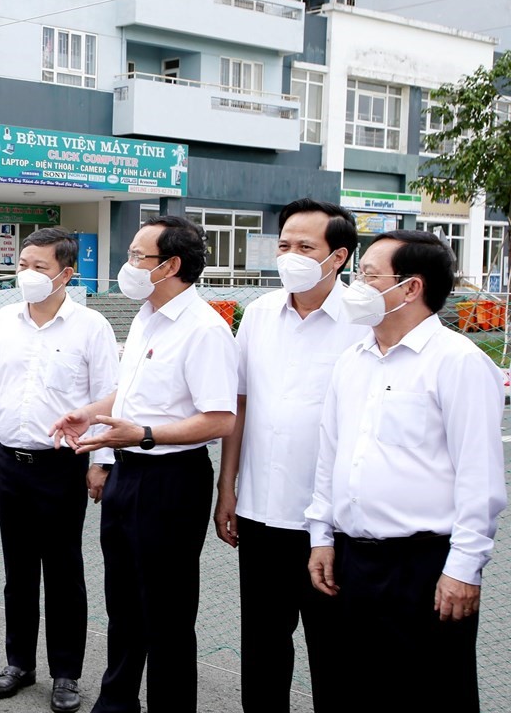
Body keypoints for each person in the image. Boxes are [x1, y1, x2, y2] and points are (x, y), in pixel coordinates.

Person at [305, 229, 506, 713]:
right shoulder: (352, 361)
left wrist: (463, 568)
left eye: (368, 276)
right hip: (353, 561)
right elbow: (330, 457)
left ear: (411, 287)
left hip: (424, 566)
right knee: (355, 690)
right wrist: (321, 536)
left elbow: (479, 477)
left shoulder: (458, 362)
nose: (356, 286)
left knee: (431, 693)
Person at [51, 215, 238, 713]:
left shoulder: (204, 329)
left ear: (170, 265)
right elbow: (133, 392)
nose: (128, 264)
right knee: (124, 604)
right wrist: (90, 413)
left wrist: (146, 435)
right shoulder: (146, 316)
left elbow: (220, 418)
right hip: (128, 471)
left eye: (138, 256)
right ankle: (116, 702)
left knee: (167, 613)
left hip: (172, 480)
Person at [213, 198, 365, 712]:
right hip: (260, 512)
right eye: (284, 245)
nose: (290, 256)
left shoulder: (363, 320)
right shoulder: (259, 314)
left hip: (332, 521)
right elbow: (240, 404)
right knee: (262, 646)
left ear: (338, 256)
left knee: (335, 650)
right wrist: (227, 487)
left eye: (305, 247)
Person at [0, 227, 119, 713]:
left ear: (66, 274)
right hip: (10, 461)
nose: (27, 274)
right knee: (17, 572)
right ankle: (19, 663)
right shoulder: (4, 320)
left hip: (62, 466)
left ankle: (65, 672)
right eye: (22, 265)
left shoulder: (91, 326)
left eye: (39, 267)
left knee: (63, 572)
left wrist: (100, 461)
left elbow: (108, 397)